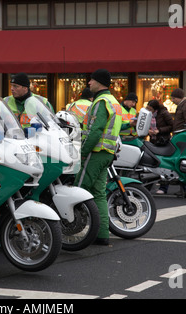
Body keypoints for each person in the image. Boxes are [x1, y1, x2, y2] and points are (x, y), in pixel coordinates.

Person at [74, 69, 122, 246]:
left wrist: (83, 151)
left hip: (95, 151)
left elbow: (95, 130)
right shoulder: (113, 101)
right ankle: (102, 234)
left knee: (78, 188)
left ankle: (68, 229)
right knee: (99, 194)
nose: (89, 83)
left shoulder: (101, 102)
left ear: (100, 82)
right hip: (107, 153)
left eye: (91, 80)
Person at [156, 88, 186, 196]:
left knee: (180, 162)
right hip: (179, 137)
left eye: (174, 98)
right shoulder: (183, 105)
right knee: (179, 162)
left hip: (182, 138)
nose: (173, 100)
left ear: (179, 97)